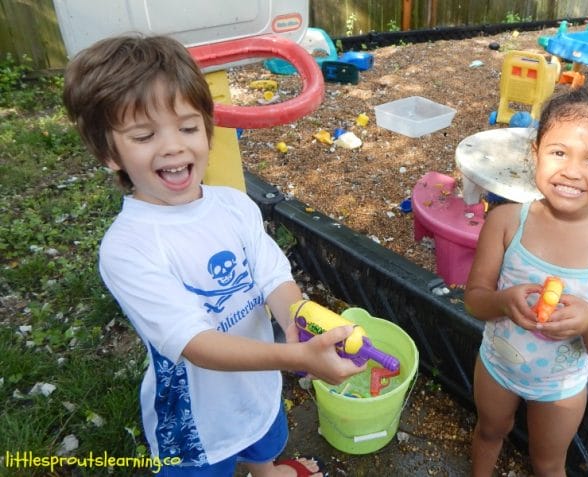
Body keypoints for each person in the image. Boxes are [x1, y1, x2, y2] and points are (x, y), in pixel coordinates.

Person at [62, 34, 364, 477]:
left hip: (257, 381)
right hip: (197, 420)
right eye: (144, 135)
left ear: (207, 128)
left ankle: (266, 471)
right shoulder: (128, 248)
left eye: (187, 127)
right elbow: (197, 345)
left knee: (266, 434)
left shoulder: (233, 205)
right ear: (110, 153)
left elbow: (271, 276)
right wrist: (297, 358)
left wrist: (297, 319)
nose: (173, 146)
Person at [464, 88, 588, 477]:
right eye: (559, 152)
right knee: (490, 431)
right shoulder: (506, 222)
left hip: (560, 387)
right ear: (535, 154)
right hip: (497, 365)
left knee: (548, 463)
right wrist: (504, 301)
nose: (572, 171)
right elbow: (474, 300)